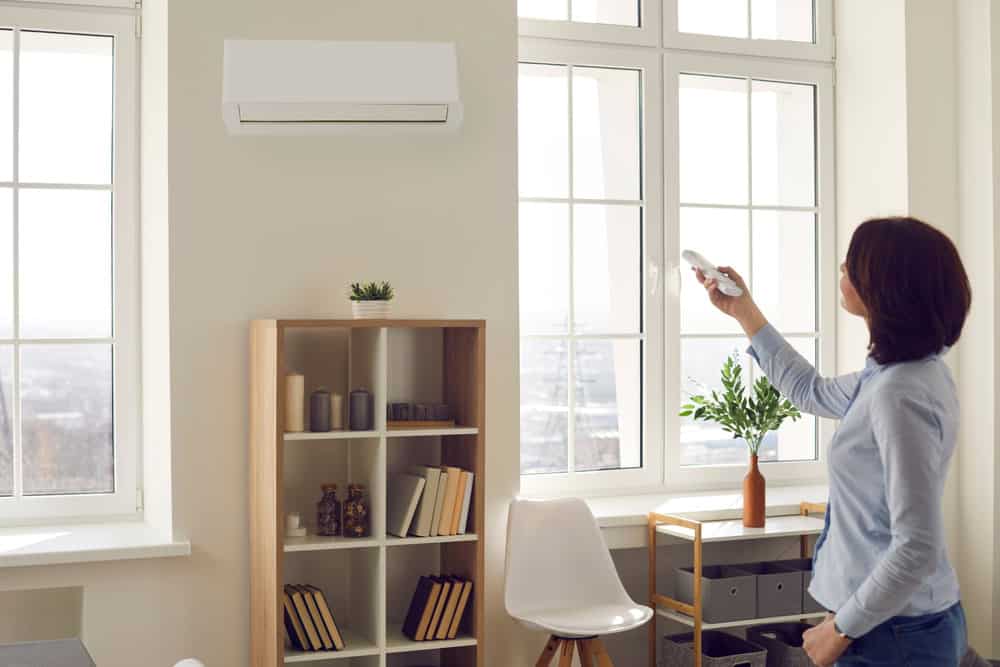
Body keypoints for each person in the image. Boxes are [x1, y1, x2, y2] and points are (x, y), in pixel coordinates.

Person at [694, 217, 970, 667]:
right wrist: (744, 310)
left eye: (853, 263)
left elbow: (916, 545)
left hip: (891, 634)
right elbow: (811, 391)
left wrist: (840, 630)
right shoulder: (898, 375)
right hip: (891, 624)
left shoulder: (899, 393)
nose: (843, 268)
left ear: (887, 287)